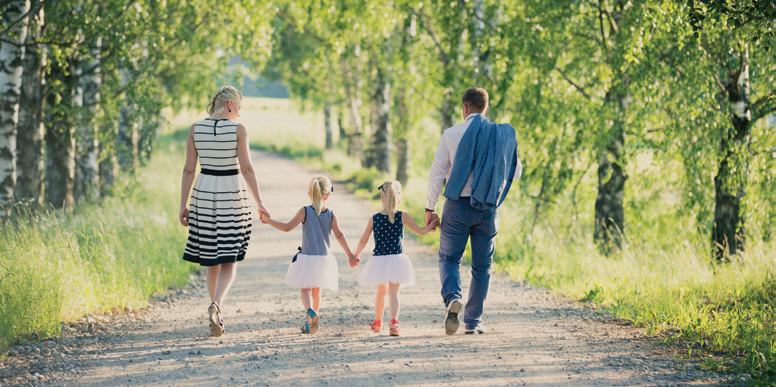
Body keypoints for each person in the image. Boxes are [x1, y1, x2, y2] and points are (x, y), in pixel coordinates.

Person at [425, 87, 522, 335]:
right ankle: (473, 321)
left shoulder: (451, 133)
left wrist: (430, 208)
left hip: (457, 205)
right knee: (482, 266)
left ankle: (452, 299)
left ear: (464, 108)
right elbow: (516, 171)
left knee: (449, 258)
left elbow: (437, 172)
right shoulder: (501, 135)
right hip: (487, 208)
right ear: (486, 108)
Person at [179, 85, 270, 337]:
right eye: (238, 107)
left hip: (203, 195)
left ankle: (215, 310)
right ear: (229, 104)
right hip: (232, 195)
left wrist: (182, 204)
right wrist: (259, 202)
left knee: (211, 258)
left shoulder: (195, 129)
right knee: (229, 258)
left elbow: (188, 170)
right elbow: (248, 169)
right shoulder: (239, 130)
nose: (239, 114)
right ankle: (216, 305)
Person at [260, 176, 359, 334]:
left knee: (305, 290)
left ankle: (311, 313)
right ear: (328, 195)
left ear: (309, 194)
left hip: (307, 258)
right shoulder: (331, 214)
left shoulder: (305, 211)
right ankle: (311, 322)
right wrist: (350, 255)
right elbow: (339, 235)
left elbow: (287, 227)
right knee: (316, 290)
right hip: (324, 259)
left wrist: (268, 220)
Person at [353, 181, 439, 336]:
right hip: (397, 260)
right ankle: (393, 323)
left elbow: (363, 240)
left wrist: (356, 255)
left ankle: (378, 322)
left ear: (381, 198)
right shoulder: (403, 216)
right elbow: (420, 231)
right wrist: (431, 225)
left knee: (381, 292)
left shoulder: (375, 218)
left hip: (379, 260)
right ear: (398, 201)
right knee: (394, 293)